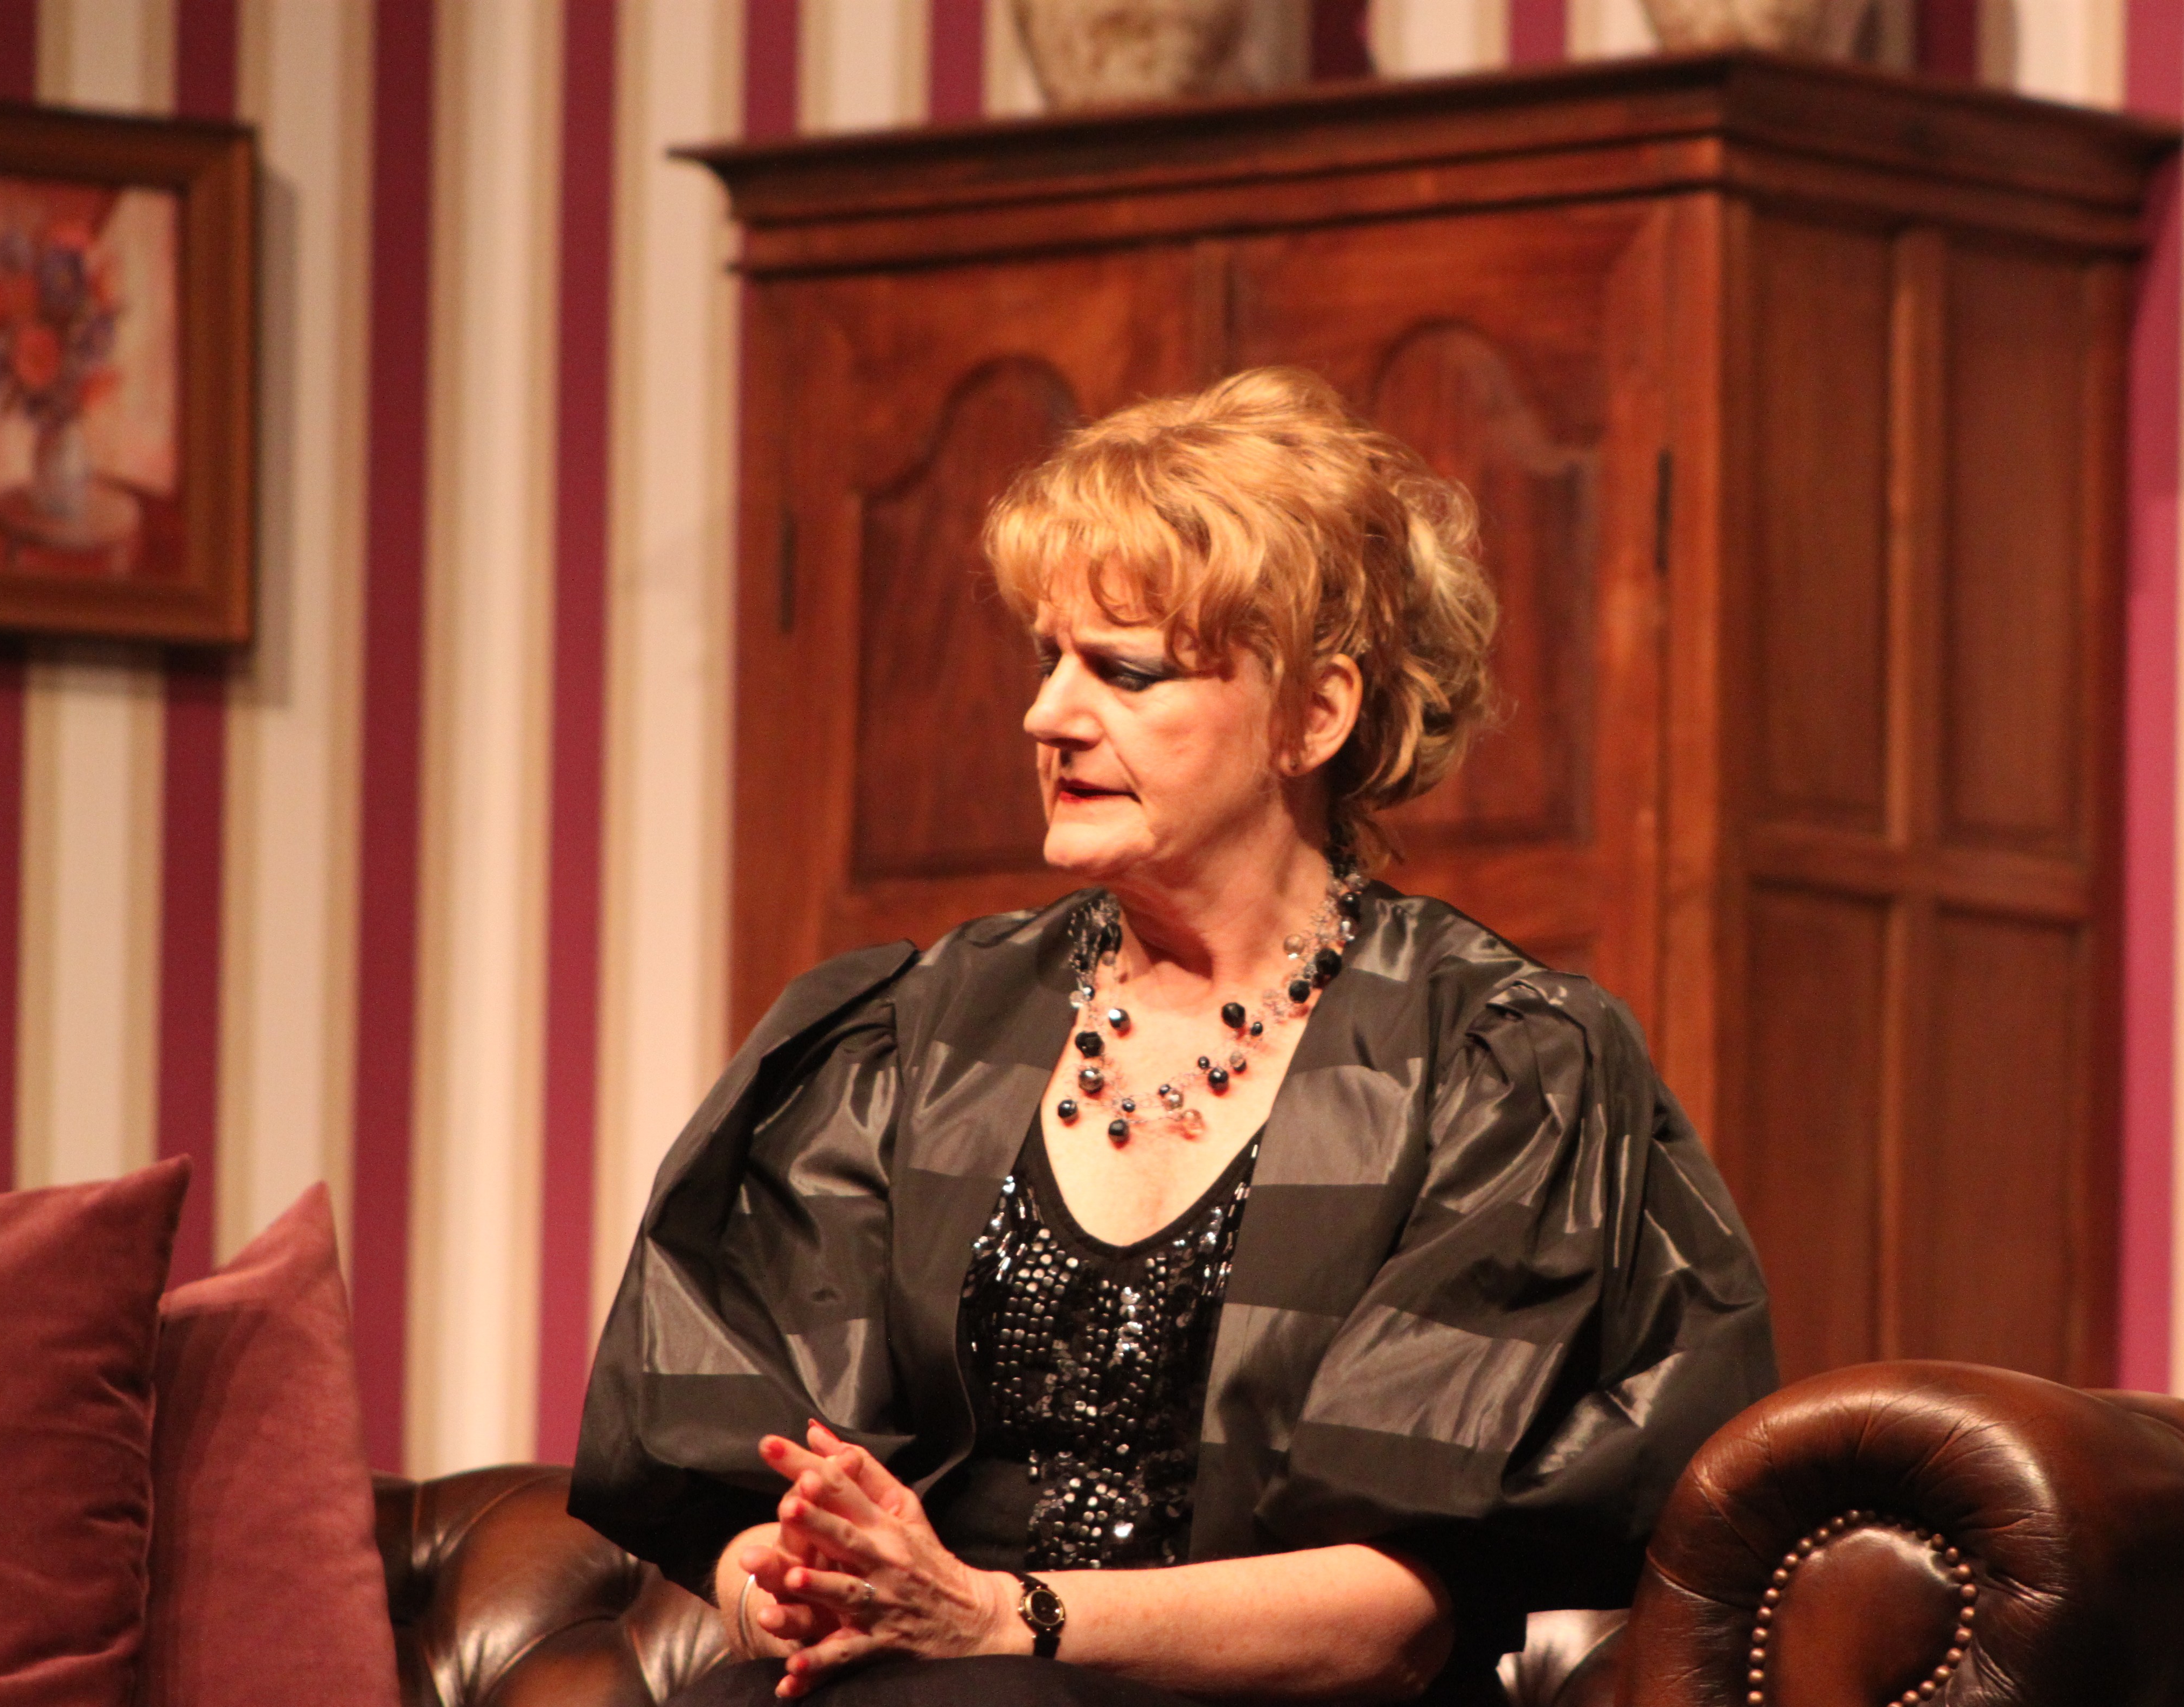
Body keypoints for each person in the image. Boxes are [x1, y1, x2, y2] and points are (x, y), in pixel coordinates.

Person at [571, 367, 1776, 1707]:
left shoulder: (1489, 1067)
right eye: (1049, 658)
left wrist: (998, 1617)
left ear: (1314, 715)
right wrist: (785, 1584)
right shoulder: (923, 1032)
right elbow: (756, 1487)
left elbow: (1393, 1618)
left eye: (1124, 670)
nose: (1048, 714)